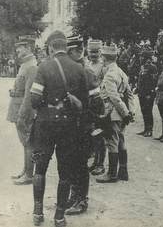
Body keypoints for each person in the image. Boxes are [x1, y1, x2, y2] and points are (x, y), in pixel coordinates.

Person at [30, 31, 88, 227]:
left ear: (52, 48)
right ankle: (59, 216)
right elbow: (86, 103)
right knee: (65, 172)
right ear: (65, 47)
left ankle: (38, 213)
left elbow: (34, 99)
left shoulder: (43, 67)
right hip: (69, 127)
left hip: (45, 125)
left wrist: (48, 106)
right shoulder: (79, 69)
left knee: (40, 168)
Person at [64, 36, 104, 215]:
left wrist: (88, 119)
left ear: (75, 52)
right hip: (70, 125)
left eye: (67, 52)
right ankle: (74, 196)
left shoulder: (87, 72)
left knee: (80, 163)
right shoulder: (69, 69)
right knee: (71, 162)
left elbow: (98, 103)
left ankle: (82, 200)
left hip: (82, 125)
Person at [96, 44, 135, 183]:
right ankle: (123, 171)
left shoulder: (109, 75)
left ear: (105, 59)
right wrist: (130, 112)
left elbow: (114, 97)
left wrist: (125, 113)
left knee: (112, 142)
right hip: (122, 113)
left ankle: (112, 174)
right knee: (121, 141)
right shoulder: (121, 72)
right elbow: (129, 94)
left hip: (113, 113)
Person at [6, 36, 37, 185]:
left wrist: (22, 114)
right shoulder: (25, 65)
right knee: (24, 142)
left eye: (21, 46)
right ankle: (25, 171)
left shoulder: (31, 66)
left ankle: (29, 175)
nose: (17, 49)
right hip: (18, 106)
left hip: (23, 110)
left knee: (28, 142)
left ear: (29, 48)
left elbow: (29, 94)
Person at [85, 39, 107, 176]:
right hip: (88, 103)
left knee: (99, 135)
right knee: (91, 135)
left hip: (98, 102)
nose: (93, 55)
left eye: (96, 52)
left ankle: (100, 164)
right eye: (91, 52)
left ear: (100, 52)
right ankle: (95, 162)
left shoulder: (103, 67)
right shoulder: (86, 65)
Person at [135, 50, 158, 137]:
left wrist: (150, 93)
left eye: (142, 56)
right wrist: (137, 88)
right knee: (144, 110)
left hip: (148, 94)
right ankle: (145, 129)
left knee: (148, 111)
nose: (140, 57)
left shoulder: (152, 67)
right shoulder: (142, 67)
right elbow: (140, 80)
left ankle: (149, 130)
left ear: (146, 58)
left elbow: (154, 81)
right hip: (142, 93)